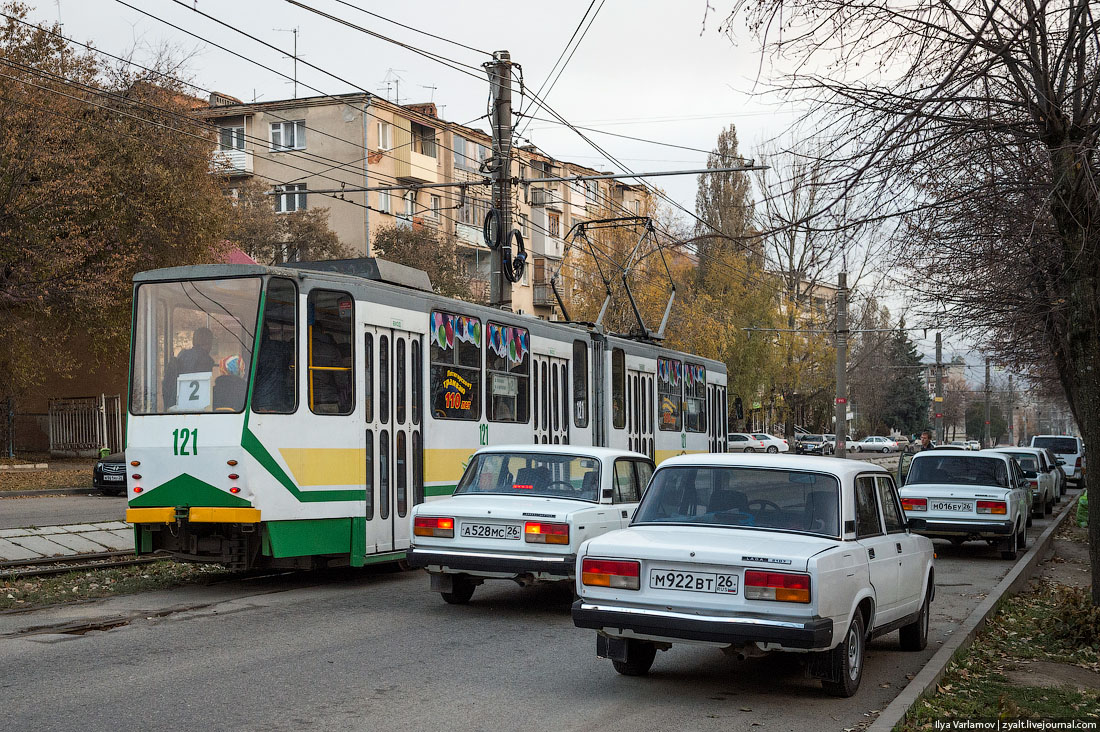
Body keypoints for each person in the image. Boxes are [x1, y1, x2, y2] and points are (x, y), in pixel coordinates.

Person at [163, 327, 215, 408]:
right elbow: (205, 389)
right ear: (209, 343)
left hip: (178, 402)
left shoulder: (181, 355)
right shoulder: (206, 361)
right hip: (197, 404)